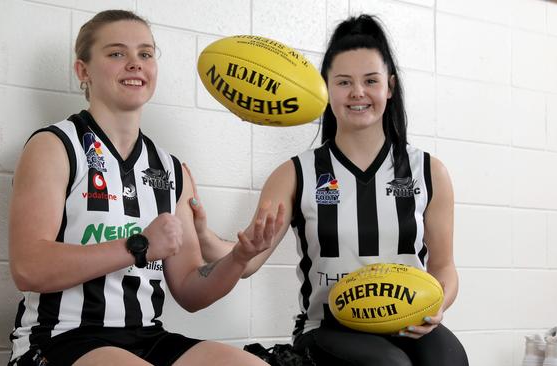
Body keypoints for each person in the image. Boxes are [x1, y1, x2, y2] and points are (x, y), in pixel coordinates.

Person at [187, 15, 469, 365]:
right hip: (327, 327)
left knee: (450, 358)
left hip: (407, 322)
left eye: (370, 81)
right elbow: (247, 260)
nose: (357, 93)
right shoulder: (295, 174)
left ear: (390, 87)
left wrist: (437, 303)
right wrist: (202, 235)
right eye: (344, 82)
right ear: (325, 88)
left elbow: (445, 268)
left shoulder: (429, 172)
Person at [7, 10, 282, 366]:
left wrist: (237, 259)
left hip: (146, 337)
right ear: (83, 71)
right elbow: (28, 268)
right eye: (117, 53)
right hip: (60, 337)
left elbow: (189, 289)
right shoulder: (54, 146)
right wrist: (138, 246)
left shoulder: (170, 169)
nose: (135, 64)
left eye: (146, 54)